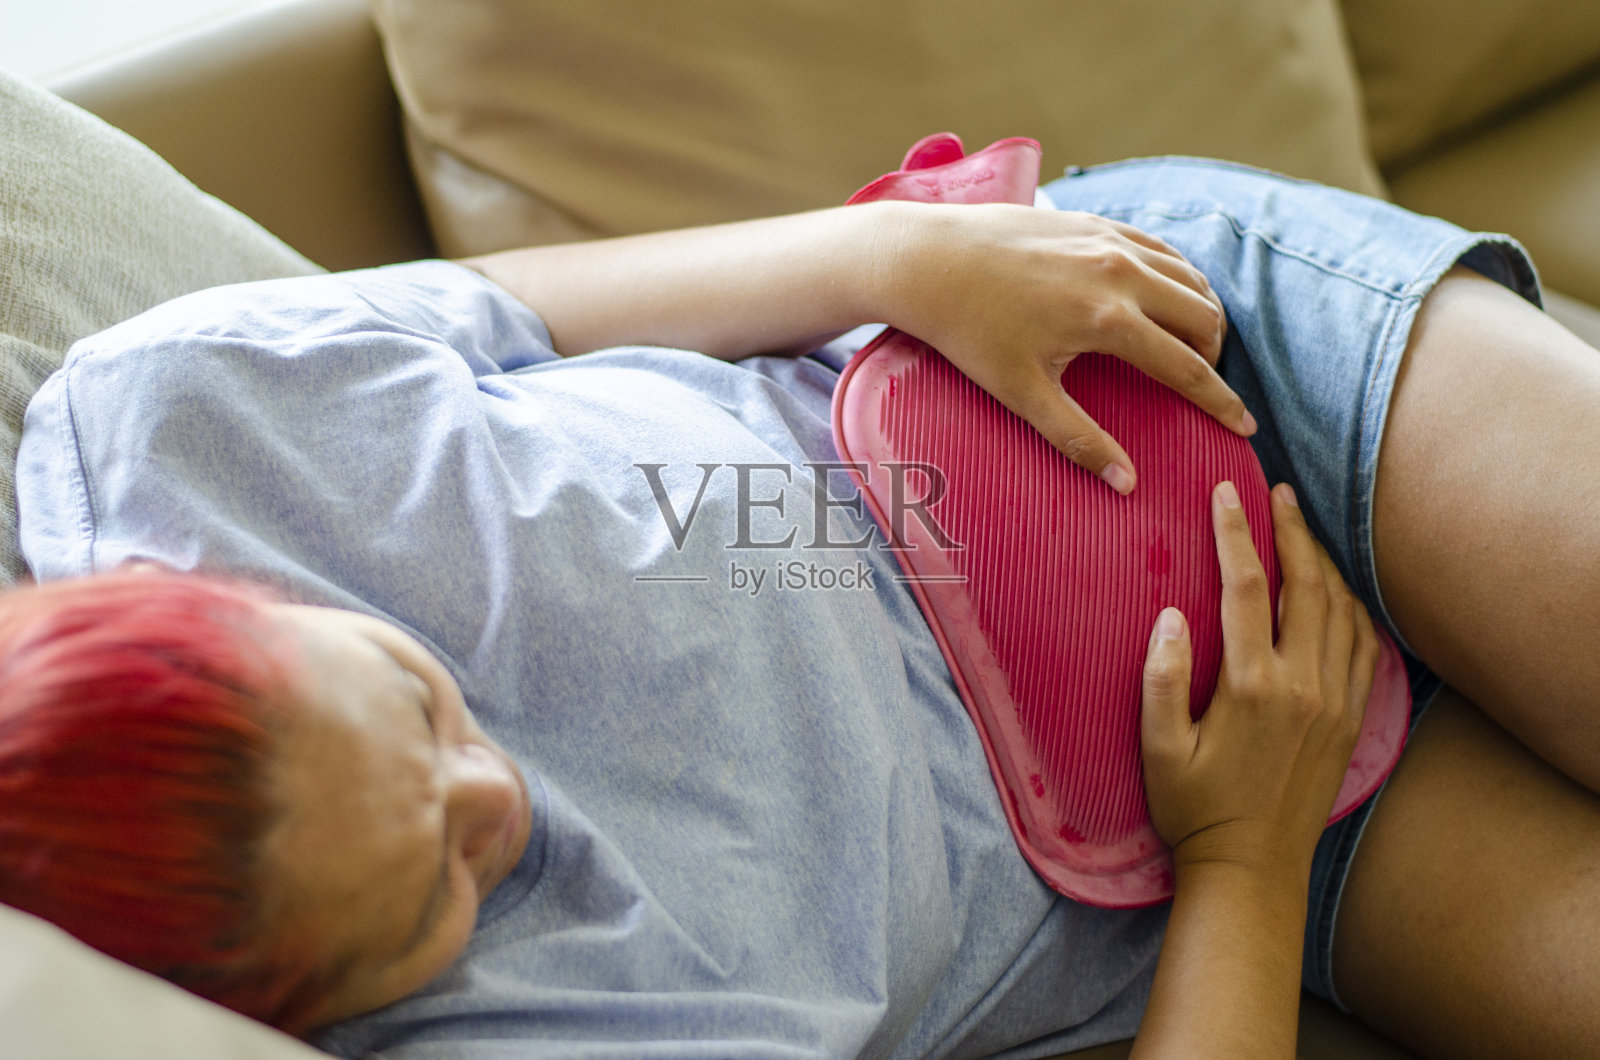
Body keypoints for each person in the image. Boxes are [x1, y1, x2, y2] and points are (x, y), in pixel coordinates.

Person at [0, 155, 1595, 1059]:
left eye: (416, 703)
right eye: (428, 897)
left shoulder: (175, 422)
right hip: (1247, 837)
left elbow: (525, 314)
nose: (496, 801)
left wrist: (898, 253)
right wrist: (1246, 855)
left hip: (1196, 365)